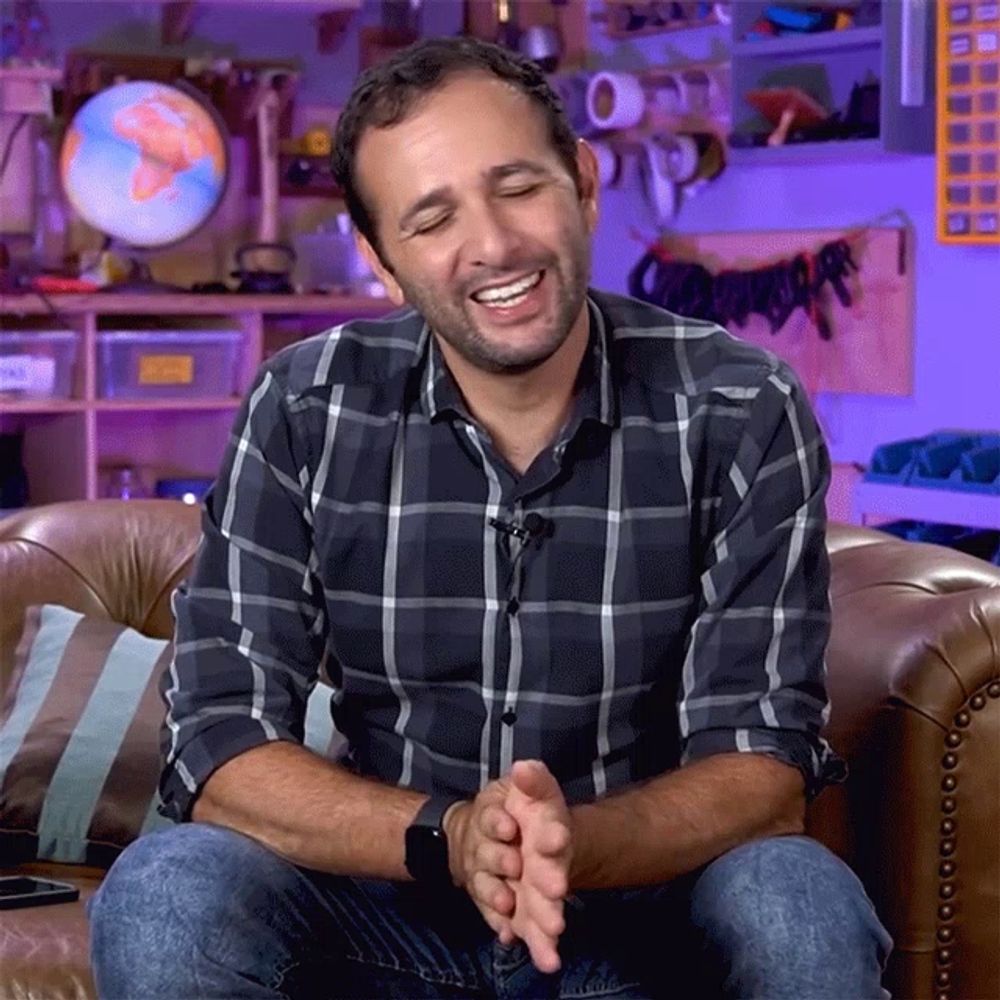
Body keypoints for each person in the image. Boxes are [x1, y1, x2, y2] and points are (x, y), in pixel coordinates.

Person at [89, 36, 891, 999]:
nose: (495, 246)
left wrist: (570, 848)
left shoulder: (739, 404)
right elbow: (219, 745)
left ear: (583, 182)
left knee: (799, 901)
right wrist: (450, 836)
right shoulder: (303, 406)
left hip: (648, 914)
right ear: (383, 260)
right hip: (389, 905)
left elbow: (761, 762)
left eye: (518, 187)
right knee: (168, 889)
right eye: (432, 219)